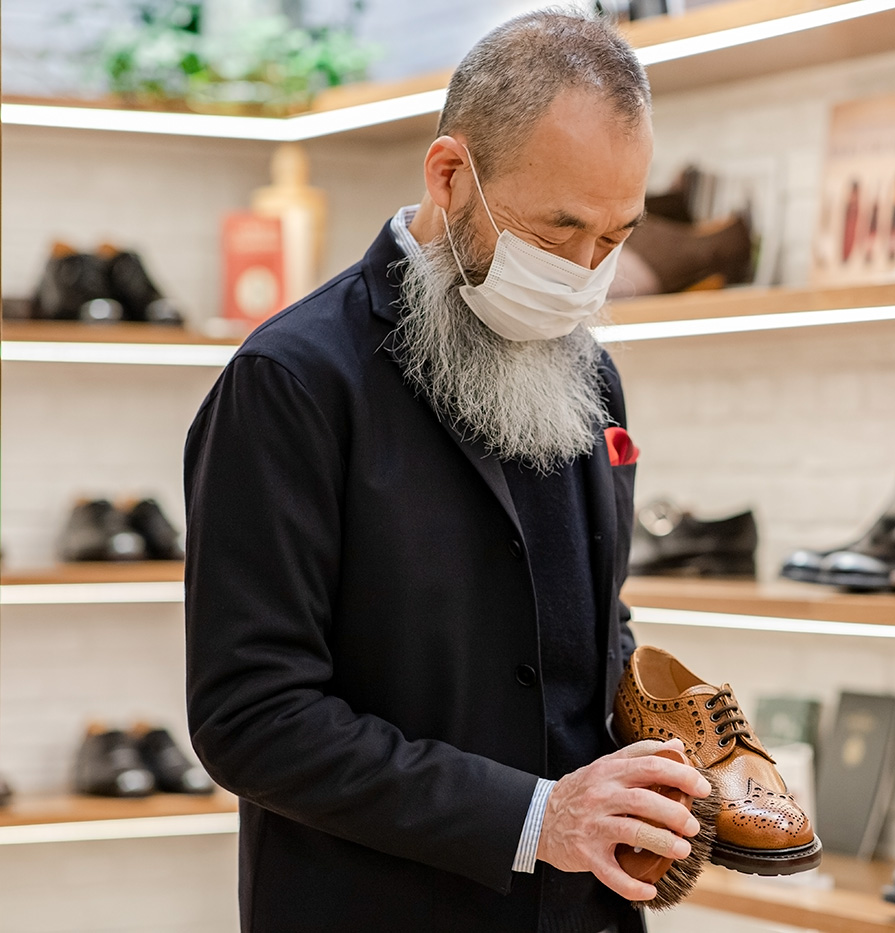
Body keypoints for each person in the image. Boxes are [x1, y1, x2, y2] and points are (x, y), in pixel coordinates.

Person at [183, 10, 709, 932]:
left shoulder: (590, 372)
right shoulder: (293, 382)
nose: (586, 273)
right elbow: (253, 717)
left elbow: (588, 621)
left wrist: (666, 755)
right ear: (451, 174)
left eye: (616, 237)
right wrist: (535, 816)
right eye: (559, 230)